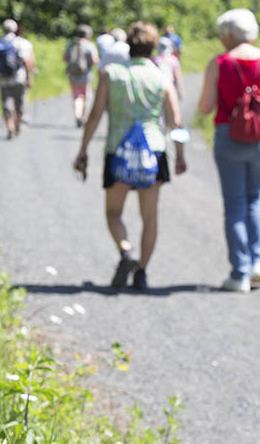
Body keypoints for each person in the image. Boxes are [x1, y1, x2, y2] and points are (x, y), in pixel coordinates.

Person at [74, 22, 187, 291]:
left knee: (113, 212)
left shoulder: (111, 74)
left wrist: (83, 149)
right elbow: (176, 120)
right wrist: (180, 155)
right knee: (150, 216)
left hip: (118, 151)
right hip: (154, 152)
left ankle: (126, 251)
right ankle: (142, 272)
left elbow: (95, 115)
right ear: (153, 46)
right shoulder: (161, 77)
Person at [196, 8, 260, 292]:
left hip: (228, 137)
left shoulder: (219, 63)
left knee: (234, 206)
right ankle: (258, 262)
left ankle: (239, 273)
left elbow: (205, 108)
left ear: (229, 35)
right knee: (255, 199)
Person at [0, 19, 27, 139]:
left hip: (3, 78)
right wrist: (29, 77)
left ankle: (10, 126)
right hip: (19, 78)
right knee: (19, 104)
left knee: (6, 104)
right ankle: (18, 125)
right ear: (15, 29)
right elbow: (25, 61)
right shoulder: (19, 42)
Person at [62, 24, 98, 127]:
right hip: (86, 75)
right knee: (86, 96)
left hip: (73, 74)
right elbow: (94, 60)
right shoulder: (90, 45)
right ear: (88, 35)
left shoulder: (71, 44)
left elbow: (65, 58)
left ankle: (77, 115)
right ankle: (83, 117)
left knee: (77, 96)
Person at [14, 25, 36, 123]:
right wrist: (29, 76)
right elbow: (29, 61)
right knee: (22, 97)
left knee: (9, 97)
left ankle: (11, 118)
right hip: (21, 75)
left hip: (5, 75)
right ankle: (20, 117)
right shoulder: (25, 43)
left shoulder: (3, 42)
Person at [153, 37, 184, 101]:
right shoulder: (173, 60)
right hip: (171, 89)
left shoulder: (154, 60)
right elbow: (177, 78)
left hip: (157, 91)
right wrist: (180, 92)